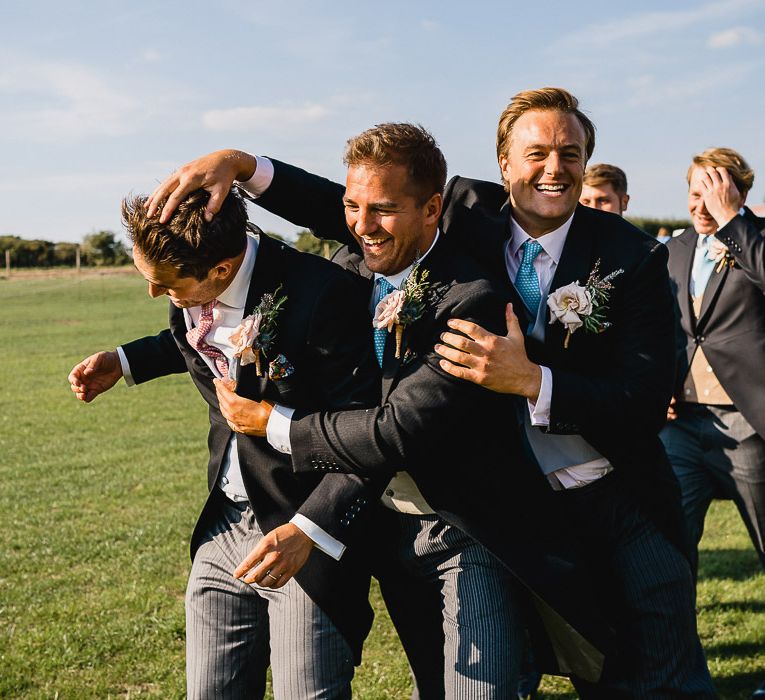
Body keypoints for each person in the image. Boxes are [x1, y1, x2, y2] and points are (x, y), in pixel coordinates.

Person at [148, 124, 614, 698]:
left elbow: (400, 428)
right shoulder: (349, 266)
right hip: (389, 533)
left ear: (432, 210)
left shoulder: (472, 300)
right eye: (352, 206)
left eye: (384, 210)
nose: (363, 225)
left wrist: (271, 422)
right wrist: (241, 164)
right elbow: (321, 218)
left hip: (469, 529)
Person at [430, 88, 715, 697]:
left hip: (612, 492)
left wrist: (532, 381)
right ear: (504, 162)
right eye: (537, 153)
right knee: (499, 670)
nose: (554, 169)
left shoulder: (631, 256)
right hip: (501, 508)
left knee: (659, 666)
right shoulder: (462, 216)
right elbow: (363, 208)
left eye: (571, 152)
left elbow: (641, 403)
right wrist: (250, 170)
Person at [68, 188, 386, 699]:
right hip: (222, 525)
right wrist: (126, 361)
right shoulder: (193, 288)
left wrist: (308, 529)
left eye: (165, 285)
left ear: (220, 271)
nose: (154, 293)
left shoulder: (322, 294)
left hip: (302, 527)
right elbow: (199, 339)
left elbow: (364, 433)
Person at [658, 147, 765, 700]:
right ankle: (681, 676)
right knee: (672, 558)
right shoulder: (673, 250)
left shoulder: (755, 239)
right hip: (682, 430)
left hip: (749, 425)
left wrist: (735, 223)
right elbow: (662, 330)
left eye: (714, 189)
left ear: (738, 192)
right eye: (695, 190)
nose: (701, 202)